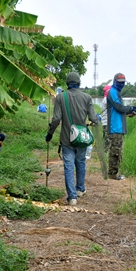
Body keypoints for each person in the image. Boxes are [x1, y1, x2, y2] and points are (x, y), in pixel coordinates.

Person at [45, 72, 98, 205]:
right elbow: (93, 118)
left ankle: (72, 197)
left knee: (68, 167)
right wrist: (95, 120)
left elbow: (56, 119)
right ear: (79, 83)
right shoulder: (87, 97)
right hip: (82, 139)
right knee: (80, 162)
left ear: (67, 83)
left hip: (67, 139)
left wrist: (50, 133)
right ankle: (80, 189)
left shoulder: (61, 97)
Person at [106, 73, 136, 180]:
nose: (121, 84)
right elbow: (119, 107)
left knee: (119, 151)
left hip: (120, 127)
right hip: (115, 127)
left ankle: (115, 173)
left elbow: (120, 110)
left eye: (123, 82)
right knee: (115, 152)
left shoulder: (117, 93)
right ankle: (112, 174)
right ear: (115, 81)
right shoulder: (112, 92)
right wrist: (130, 108)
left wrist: (130, 113)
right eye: (119, 82)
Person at [101, 83, 112, 152]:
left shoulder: (104, 99)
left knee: (106, 138)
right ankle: (106, 153)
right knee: (107, 140)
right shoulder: (107, 100)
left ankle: (105, 152)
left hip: (104, 122)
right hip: (107, 122)